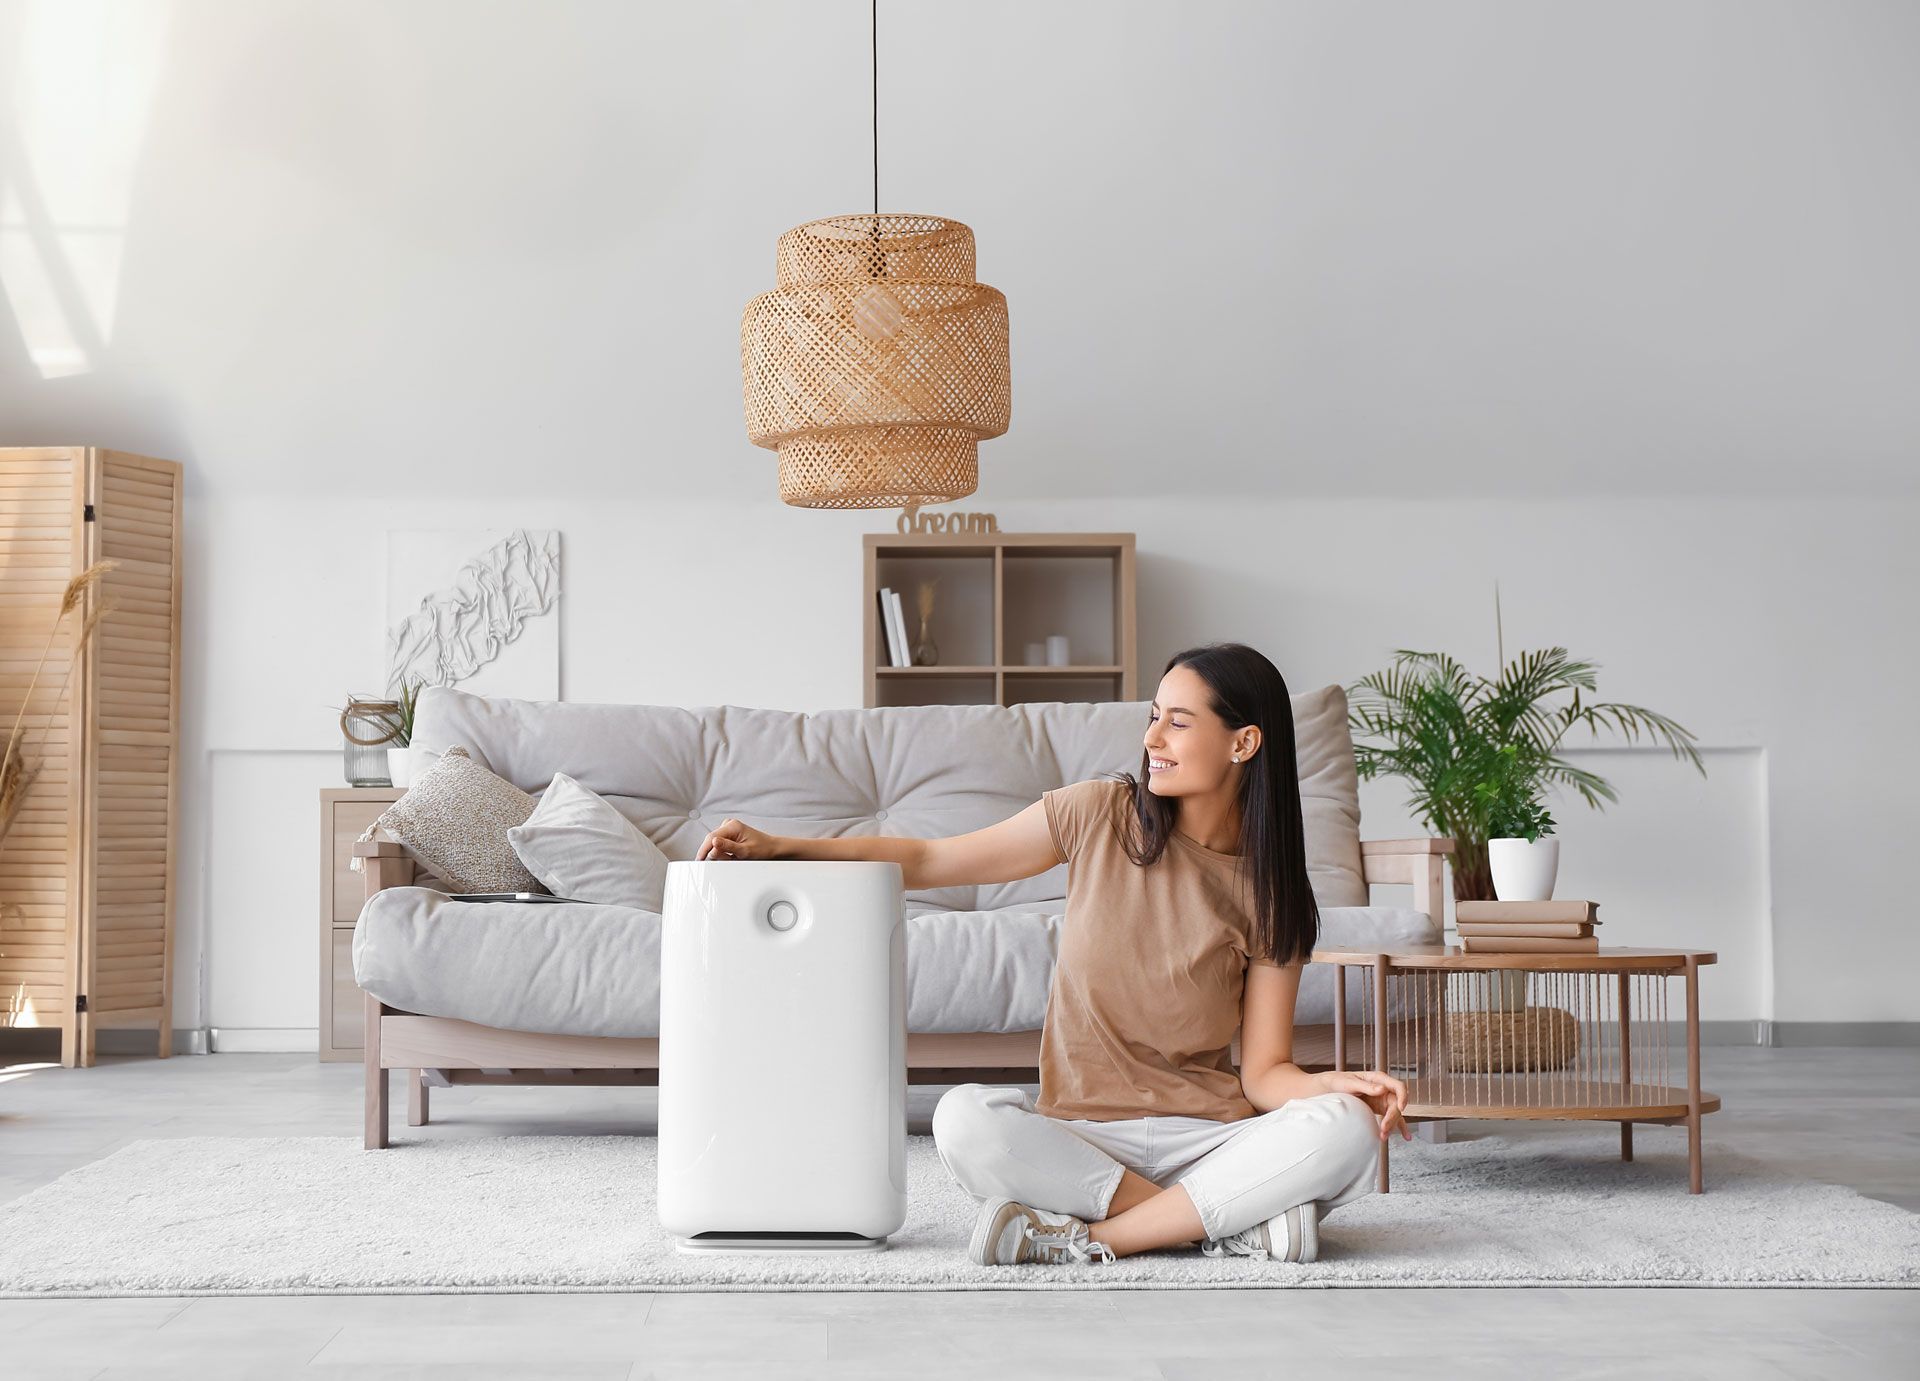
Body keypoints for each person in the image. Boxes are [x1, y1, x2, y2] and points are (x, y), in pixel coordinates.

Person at [696, 641, 1409, 1267]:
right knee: (964, 1120)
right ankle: (1220, 1221)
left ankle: (1102, 1237)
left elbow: (1263, 1074)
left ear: (1243, 743)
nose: (1152, 735)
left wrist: (1333, 1086)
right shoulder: (1098, 812)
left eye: (1178, 721)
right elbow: (930, 856)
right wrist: (786, 845)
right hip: (1085, 1139)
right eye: (1154, 715)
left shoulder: (1271, 891)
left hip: (1209, 1137)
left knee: (1344, 1130)